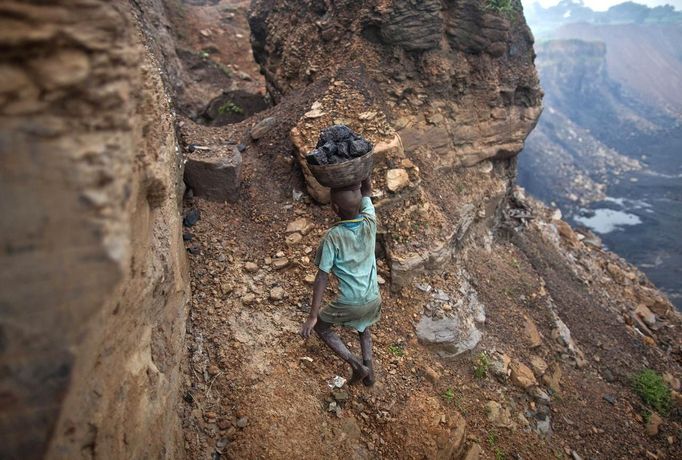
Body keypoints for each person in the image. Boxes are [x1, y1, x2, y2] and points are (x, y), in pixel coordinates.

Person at [299, 175, 380, 386]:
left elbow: (322, 276)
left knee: (322, 327)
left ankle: (356, 365)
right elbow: (368, 191)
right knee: (363, 326)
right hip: (373, 298)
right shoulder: (370, 220)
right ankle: (369, 373)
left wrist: (312, 316)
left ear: (334, 208)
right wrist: (362, 173)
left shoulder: (333, 236)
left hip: (350, 302)